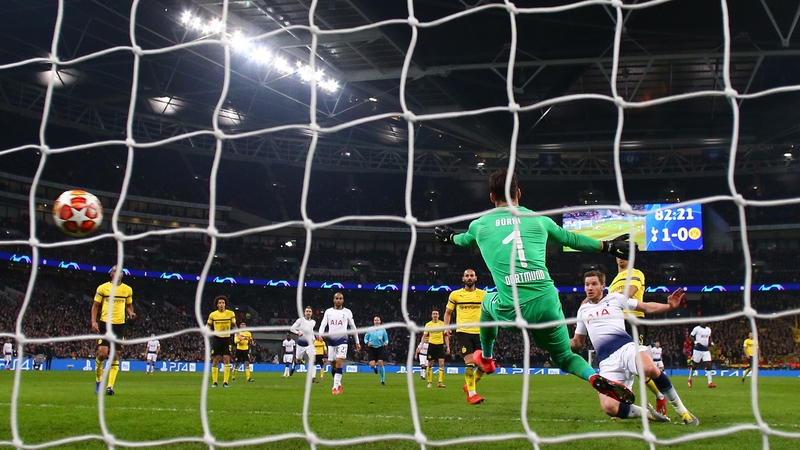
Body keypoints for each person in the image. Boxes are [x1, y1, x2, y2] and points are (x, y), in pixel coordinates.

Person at [434, 169, 635, 404]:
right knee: (565, 357)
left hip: (513, 307)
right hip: (547, 303)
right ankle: (593, 377)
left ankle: (487, 358)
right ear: (519, 193)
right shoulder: (540, 220)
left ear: (491, 197)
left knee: (487, 301)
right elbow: (572, 240)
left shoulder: (480, 226)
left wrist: (449, 238)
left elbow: (463, 240)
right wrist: (608, 247)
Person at [571, 271, 698, 425]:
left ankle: (682, 411)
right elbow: (578, 342)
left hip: (626, 348)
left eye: (594, 284)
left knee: (649, 368)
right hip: (606, 361)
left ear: (603, 286)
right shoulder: (582, 310)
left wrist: (669, 307)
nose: (589, 288)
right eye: (587, 284)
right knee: (609, 407)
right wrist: (556, 342)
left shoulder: (615, 298)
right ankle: (645, 413)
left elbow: (645, 307)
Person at [608, 256, 667, 415]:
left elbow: (628, 293)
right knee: (623, 365)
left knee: (637, 366)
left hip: (634, 322)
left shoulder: (636, 273)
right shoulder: (614, 281)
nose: (621, 258)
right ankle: (625, 405)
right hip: (617, 323)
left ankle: (660, 395)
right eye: (618, 254)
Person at [444, 268, 486, 404]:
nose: (469, 278)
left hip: (481, 333)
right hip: (463, 333)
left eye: (471, 276)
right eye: (466, 276)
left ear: (476, 278)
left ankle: (468, 385)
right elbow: (448, 313)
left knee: (485, 366)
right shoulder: (455, 295)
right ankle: (472, 394)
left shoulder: (484, 295)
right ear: (463, 279)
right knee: (470, 364)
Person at [91, 265, 135, 395]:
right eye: (115, 270)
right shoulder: (103, 288)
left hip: (120, 325)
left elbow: (128, 306)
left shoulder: (127, 290)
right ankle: (99, 380)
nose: (118, 273)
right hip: (105, 324)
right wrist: (93, 321)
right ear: (111, 274)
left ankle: (110, 386)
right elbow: (95, 306)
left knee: (116, 355)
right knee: (103, 354)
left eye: (120, 271)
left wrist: (131, 313)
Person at [317, 292, 361, 395]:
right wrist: (320, 334)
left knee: (339, 361)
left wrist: (357, 341)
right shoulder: (328, 312)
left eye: (340, 298)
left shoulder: (347, 312)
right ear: (333, 300)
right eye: (336, 298)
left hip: (343, 340)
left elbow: (353, 327)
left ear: (343, 300)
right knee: (332, 364)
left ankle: (335, 387)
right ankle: (338, 382)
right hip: (331, 340)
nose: (338, 300)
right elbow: (323, 324)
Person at [206, 295, 236, 388]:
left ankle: (225, 382)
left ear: (225, 304)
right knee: (216, 360)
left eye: (223, 302)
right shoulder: (213, 315)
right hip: (217, 338)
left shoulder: (230, 313)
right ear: (217, 305)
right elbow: (208, 326)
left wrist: (238, 334)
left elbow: (234, 325)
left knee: (227, 359)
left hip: (227, 339)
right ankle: (215, 382)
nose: (221, 304)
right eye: (220, 303)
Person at [423, 308, 449, 389]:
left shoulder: (442, 324)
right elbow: (424, 336)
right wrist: (421, 345)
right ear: (431, 315)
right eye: (433, 313)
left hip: (440, 346)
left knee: (441, 364)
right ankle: (429, 382)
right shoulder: (428, 325)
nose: (435, 315)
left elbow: (446, 336)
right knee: (430, 364)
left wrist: (448, 347)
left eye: (436, 314)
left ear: (438, 315)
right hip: (431, 345)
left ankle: (440, 382)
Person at [289, 306, 317, 377]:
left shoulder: (313, 322)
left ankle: (313, 377)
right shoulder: (300, 320)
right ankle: (294, 366)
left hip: (309, 344)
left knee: (313, 358)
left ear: (311, 313)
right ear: (304, 313)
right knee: (298, 360)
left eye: (310, 311)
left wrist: (313, 338)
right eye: (307, 311)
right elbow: (292, 328)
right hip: (301, 345)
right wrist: (297, 332)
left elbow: (311, 331)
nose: (308, 313)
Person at [688, 322, 715, 388]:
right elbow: (691, 336)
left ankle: (710, 383)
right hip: (697, 349)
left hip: (705, 349)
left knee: (708, 364)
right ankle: (690, 379)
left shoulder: (708, 329)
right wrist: (696, 342)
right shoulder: (696, 328)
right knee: (695, 365)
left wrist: (711, 342)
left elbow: (710, 337)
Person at [364, 316, 389, 385]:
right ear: (373, 321)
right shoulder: (370, 329)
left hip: (380, 347)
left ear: (380, 321)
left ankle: (382, 380)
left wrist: (386, 342)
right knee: (372, 364)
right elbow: (365, 338)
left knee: (381, 363)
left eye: (378, 320)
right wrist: (367, 343)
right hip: (372, 348)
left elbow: (386, 339)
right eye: (375, 320)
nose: (376, 321)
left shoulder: (383, 330)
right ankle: (374, 367)